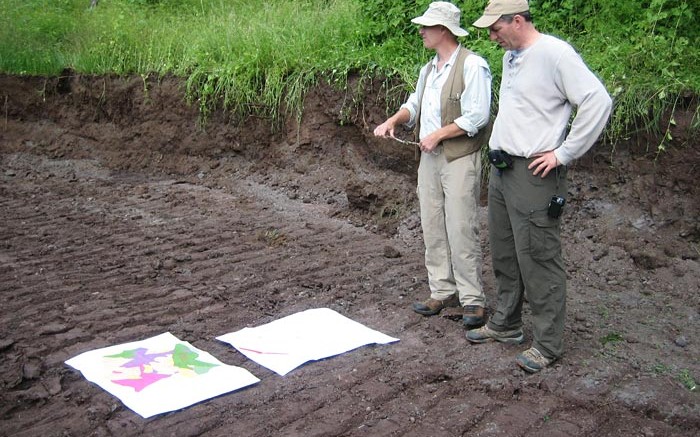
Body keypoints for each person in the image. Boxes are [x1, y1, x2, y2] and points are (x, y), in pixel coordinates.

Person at [465, 0, 613, 373]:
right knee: (505, 251)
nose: (492, 37)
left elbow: (597, 100)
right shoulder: (512, 56)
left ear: (517, 21)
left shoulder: (555, 54)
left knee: (539, 256)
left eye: (496, 29)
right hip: (502, 169)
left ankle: (548, 344)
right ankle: (507, 324)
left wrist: (564, 153)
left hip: (534, 174)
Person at [374, 2, 492, 328]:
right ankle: (441, 290)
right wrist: (393, 120)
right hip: (429, 160)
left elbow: (477, 116)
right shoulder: (429, 69)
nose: (422, 31)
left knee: (461, 225)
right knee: (432, 223)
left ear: (444, 31)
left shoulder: (473, 66)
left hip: (459, 158)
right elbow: (414, 104)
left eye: (427, 27)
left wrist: (439, 134)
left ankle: (472, 300)